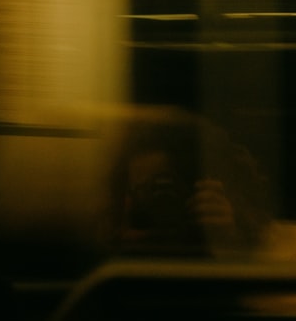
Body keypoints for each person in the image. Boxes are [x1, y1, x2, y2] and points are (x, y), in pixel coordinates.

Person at [107, 109, 271, 258]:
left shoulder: (231, 237)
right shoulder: (124, 244)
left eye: (171, 188)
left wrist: (227, 239)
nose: (162, 201)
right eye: (144, 190)